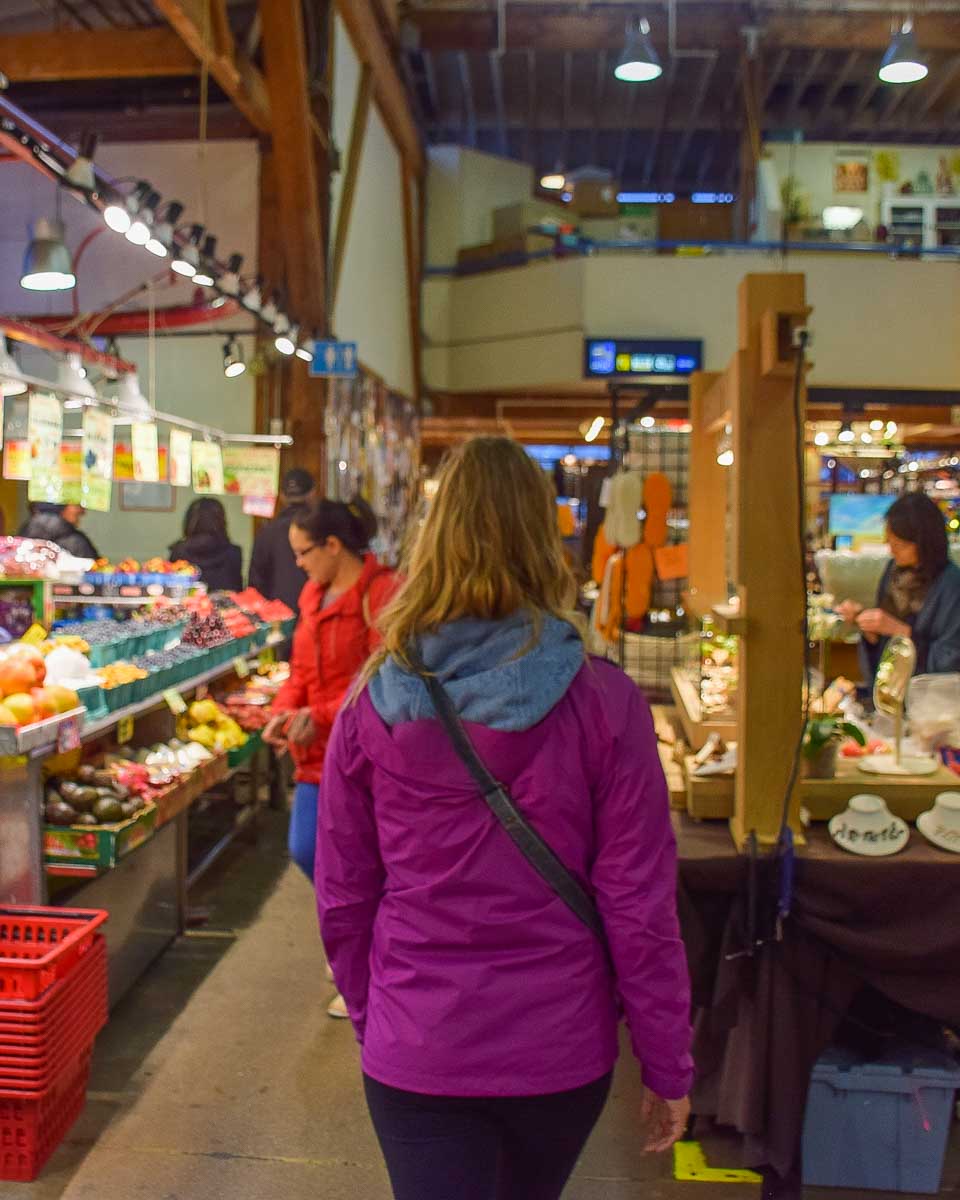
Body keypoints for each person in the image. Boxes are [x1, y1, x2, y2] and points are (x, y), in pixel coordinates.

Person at [315, 437, 693, 1200]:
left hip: (417, 1040)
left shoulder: (370, 705)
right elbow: (639, 904)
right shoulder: (605, 703)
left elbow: (343, 897)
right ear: (546, 541)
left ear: (433, 539)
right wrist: (666, 1060)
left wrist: (375, 1019)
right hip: (557, 1048)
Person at [263, 497, 395, 1018]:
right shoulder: (314, 593)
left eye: (304, 552)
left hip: (367, 757)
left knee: (358, 864)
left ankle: (365, 962)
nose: (297, 562)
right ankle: (356, 945)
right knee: (309, 851)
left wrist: (315, 714)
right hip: (316, 754)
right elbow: (299, 669)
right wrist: (283, 708)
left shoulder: (382, 595)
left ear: (334, 546)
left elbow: (382, 682)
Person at [838, 492, 960, 684]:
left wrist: (900, 631)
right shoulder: (893, 572)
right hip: (890, 694)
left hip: (930, 703)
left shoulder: (951, 584)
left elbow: (950, 661)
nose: (892, 550)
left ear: (925, 542)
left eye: (900, 544)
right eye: (890, 542)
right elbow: (883, 647)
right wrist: (869, 628)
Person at [248, 468, 316, 612]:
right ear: (312, 494)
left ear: (282, 496)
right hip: (314, 615)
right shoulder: (322, 530)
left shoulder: (266, 532)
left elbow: (255, 585)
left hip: (276, 620)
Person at [168, 498, 243, 592]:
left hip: (187, 606)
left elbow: (171, 592)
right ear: (222, 521)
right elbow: (238, 593)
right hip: (228, 606)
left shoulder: (178, 552)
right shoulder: (234, 553)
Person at [18, 502, 100, 559]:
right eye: (77, 504)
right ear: (60, 507)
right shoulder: (77, 543)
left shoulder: (22, 540)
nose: (83, 511)